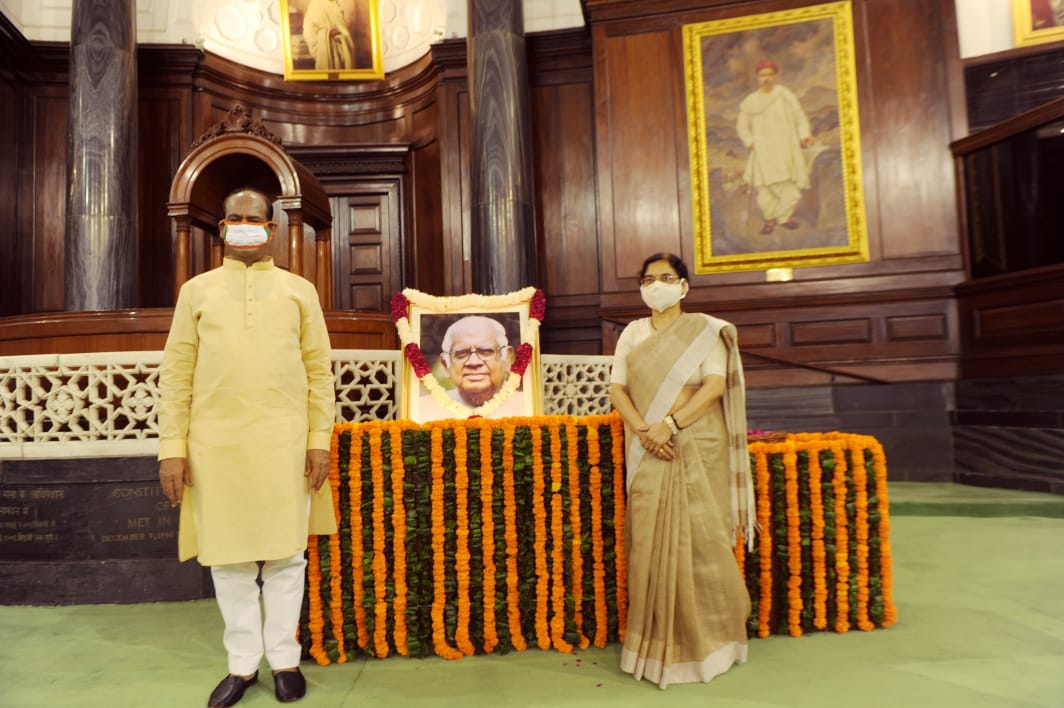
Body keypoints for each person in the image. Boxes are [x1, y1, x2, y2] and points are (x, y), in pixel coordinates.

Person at [157, 187, 337, 707]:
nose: (243, 225)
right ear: (222, 230)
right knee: (229, 561)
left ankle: (284, 660)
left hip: (285, 442)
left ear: (272, 230)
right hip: (215, 445)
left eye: (253, 218)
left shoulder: (299, 291)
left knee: (286, 556)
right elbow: (176, 373)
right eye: (233, 218)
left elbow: (318, 373)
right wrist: (173, 446)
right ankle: (241, 665)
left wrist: (318, 441)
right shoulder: (197, 291)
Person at [609, 252, 755, 689]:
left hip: (696, 440)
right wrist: (644, 430)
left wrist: (669, 425)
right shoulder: (633, 333)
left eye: (666, 277)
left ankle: (712, 641)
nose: (656, 285)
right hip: (647, 444)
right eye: (649, 278)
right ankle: (654, 647)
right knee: (650, 537)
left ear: (684, 285)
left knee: (702, 535)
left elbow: (713, 385)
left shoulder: (704, 330)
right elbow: (617, 388)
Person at [736, 59, 816, 235]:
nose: (766, 78)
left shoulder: (784, 95)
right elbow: (742, 126)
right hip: (763, 151)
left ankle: (783, 218)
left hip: (785, 148)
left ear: (775, 76)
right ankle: (770, 220)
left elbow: (799, 116)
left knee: (791, 190)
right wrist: (749, 142)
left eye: (769, 75)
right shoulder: (751, 101)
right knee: (765, 190)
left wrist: (804, 136)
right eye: (762, 75)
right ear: (758, 78)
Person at [416, 315, 524, 421]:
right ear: (445, 365)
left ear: (508, 359)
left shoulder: (526, 405)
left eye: (486, 351)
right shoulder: (422, 410)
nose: (473, 362)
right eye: (461, 353)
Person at [302, 0, 355, 70]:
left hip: (342, 51)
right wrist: (328, 33)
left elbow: (344, 32)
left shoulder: (337, 4)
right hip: (325, 53)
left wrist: (342, 38)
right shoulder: (314, 5)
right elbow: (308, 34)